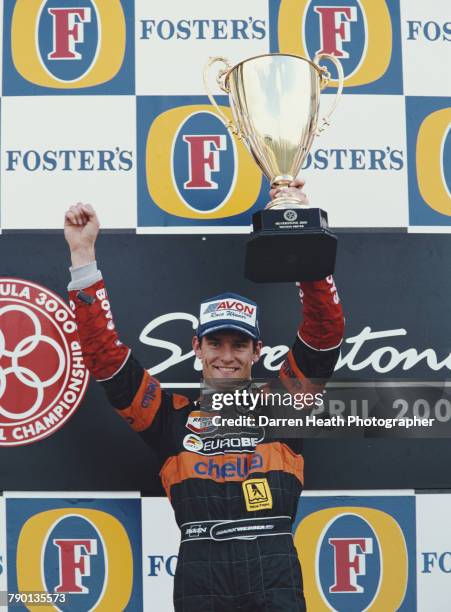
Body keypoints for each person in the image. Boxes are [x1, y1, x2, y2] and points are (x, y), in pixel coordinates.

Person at [64, 181, 344, 612]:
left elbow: (324, 337)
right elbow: (107, 363)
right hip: (201, 574)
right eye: (216, 344)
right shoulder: (169, 416)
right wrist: (83, 260)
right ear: (197, 348)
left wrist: (301, 235)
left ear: (258, 350)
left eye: (239, 345)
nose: (227, 357)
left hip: (276, 573)